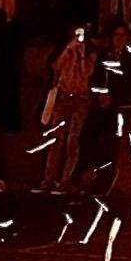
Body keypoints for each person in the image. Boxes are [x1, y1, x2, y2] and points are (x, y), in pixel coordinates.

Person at [38, 26, 97, 193]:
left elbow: (87, 73)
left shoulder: (91, 53)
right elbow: (56, 66)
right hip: (63, 98)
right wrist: (68, 50)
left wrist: (80, 57)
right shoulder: (67, 49)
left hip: (80, 100)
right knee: (56, 140)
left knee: (73, 140)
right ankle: (48, 179)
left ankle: (66, 179)